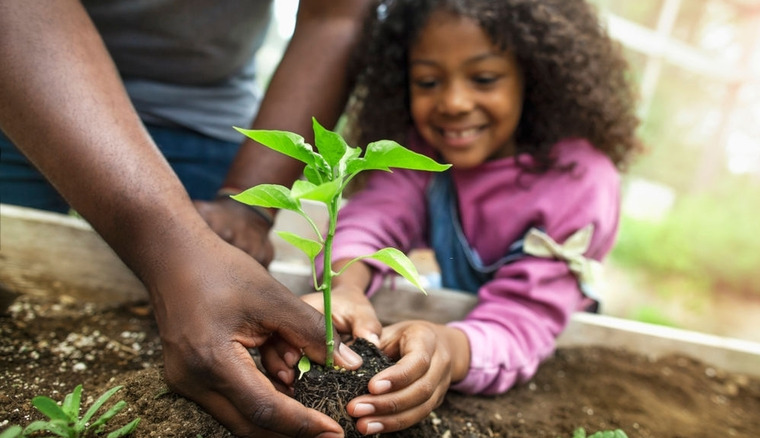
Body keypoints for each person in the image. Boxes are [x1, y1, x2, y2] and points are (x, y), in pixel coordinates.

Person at [262, 0, 643, 434]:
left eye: (483, 78)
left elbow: (525, 319)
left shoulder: (579, 180)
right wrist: (345, 286)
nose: (454, 102)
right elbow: (376, 216)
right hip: (465, 310)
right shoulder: (422, 153)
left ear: (534, 77)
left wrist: (451, 347)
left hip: (540, 326)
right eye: (428, 80)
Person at [0, 1, 373, 437]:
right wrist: (173, 245)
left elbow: (336, 16)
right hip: (22, 77)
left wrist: (247, 207)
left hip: (199, 114)